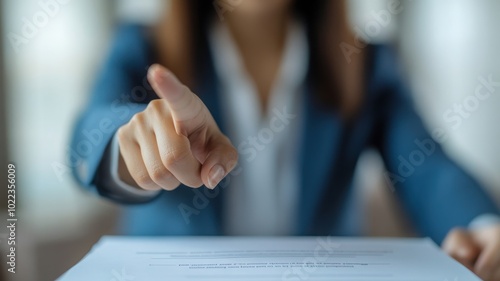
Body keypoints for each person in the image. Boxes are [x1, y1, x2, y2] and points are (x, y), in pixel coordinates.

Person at [71, 0, 500, 279]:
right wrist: (131, 149)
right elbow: (87, 138)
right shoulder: (142, 47)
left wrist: (483, 226)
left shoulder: (365, 62)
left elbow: (427, 167)